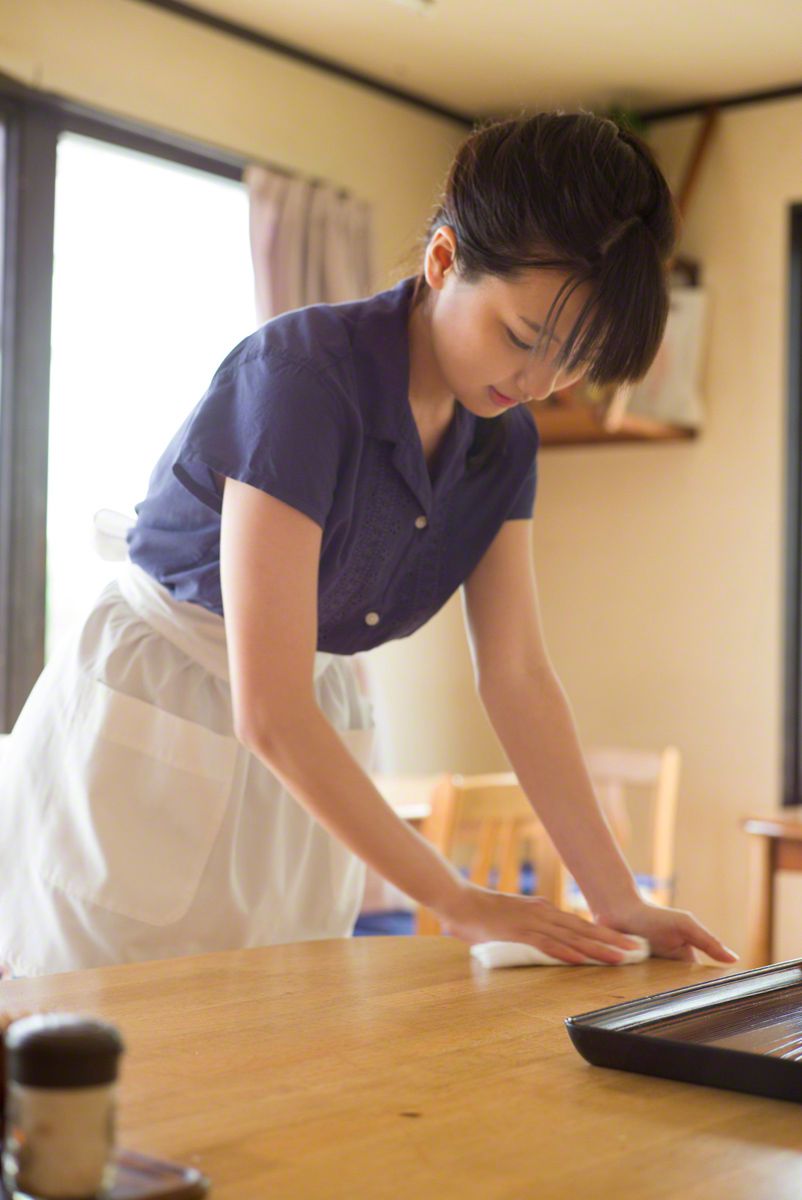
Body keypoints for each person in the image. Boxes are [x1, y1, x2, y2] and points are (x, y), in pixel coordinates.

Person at [0, 110, 738, 977]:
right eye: (522, 339)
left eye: (575, 360)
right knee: (109, 1022)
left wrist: (617, 900)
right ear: (444, 260)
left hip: (303, 734)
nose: (540, 382)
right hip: (160, 712)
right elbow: (269, 706)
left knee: (276, 1020)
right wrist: (457, 898)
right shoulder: (303, 379)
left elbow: (518, 675)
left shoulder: (503, 442)